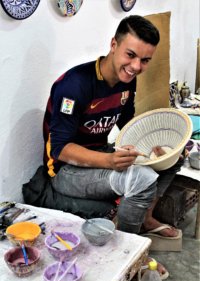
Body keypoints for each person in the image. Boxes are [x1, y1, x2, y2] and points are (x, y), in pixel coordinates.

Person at [42, 15, 183, 256]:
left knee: (172, 160)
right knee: (141, 179)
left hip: (100, 153)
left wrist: (154, 147)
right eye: (131, 55)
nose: (137, 66)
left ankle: (146, 218)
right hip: (65, 170)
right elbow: (60, 149)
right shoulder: (74, 85)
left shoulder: (127, 81)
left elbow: (128, 123)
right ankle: (129, 255)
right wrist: (109, 161)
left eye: (145, 60)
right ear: (113, 45)